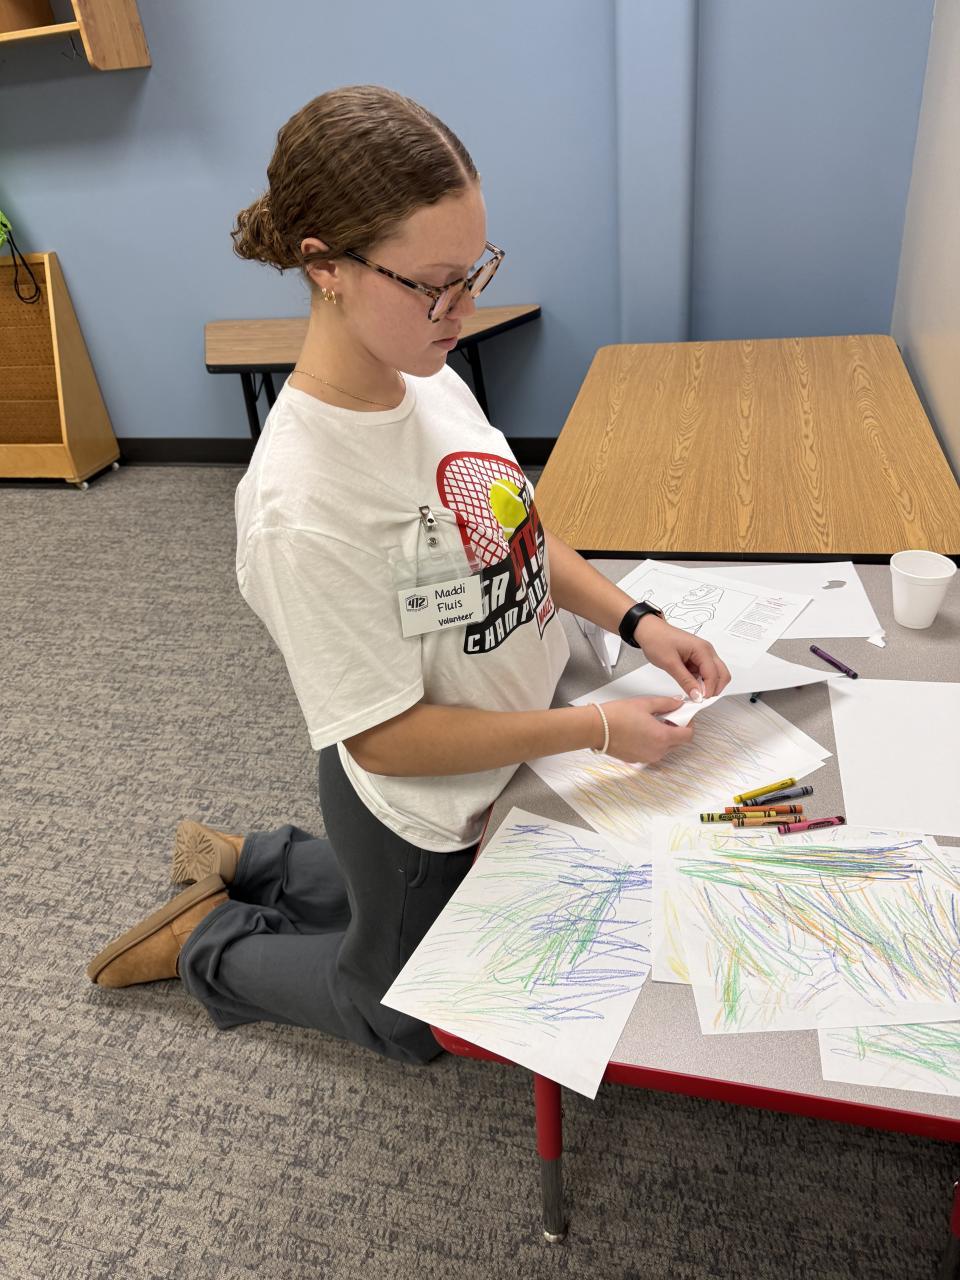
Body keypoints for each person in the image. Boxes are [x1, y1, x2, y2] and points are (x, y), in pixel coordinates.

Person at [85, 85, 730, 1065]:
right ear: (326, 266)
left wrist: (637, 619)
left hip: (505, 753)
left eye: (473, 273)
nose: (462, 310)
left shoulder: (429, 377)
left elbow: (517, 533)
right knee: (411, 1018)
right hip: (424, 799)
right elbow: (385, 741)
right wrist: (596, 729)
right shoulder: (302, 503)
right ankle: (206, 944)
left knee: (432, 910)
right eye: (435, 285)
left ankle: (253, 859)